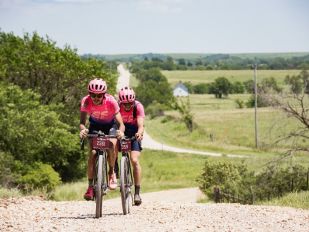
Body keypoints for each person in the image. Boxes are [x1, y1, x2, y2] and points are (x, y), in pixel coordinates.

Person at [80, 78, 125, 201]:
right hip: (95, 126)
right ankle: (90, 187)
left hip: (111, 125)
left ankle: (111, 172)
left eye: (99, 95)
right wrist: (83, 130)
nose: (95, 98)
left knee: (110, 146)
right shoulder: (85, 101)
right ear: (89, 94)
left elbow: (121, 123)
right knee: (93, 154)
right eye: (92, 95)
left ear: (104, 94)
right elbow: (82, 123)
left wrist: (120, 132)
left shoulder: (111, 101)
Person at [118, 86, 145, 206]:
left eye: (130, 103)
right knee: (111, 147)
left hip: (134, 131)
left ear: (133, 101)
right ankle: (114, 170)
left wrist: (139, 132)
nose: (128, 106)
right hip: (121, 130)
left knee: (134, 160)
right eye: (125, 104)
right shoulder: (117, 106)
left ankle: (137, 193)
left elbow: (140, 124)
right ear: (121, 102)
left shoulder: (138, 106)